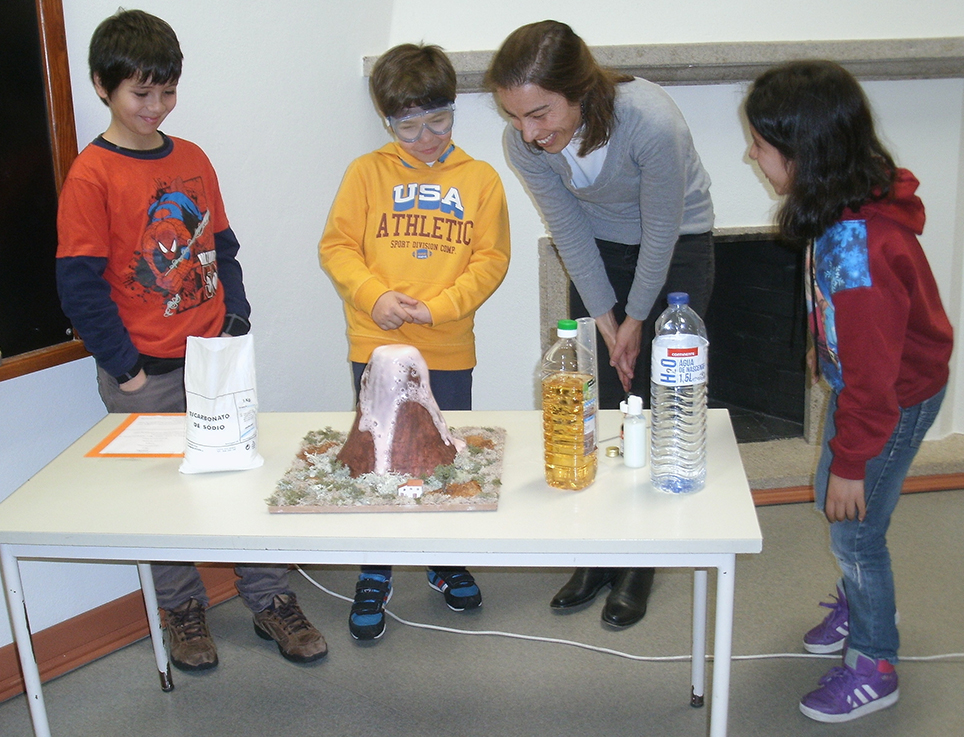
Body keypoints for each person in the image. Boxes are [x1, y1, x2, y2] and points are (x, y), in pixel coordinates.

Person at [56, 9, 327, 671]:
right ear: (102, 86)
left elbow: (222, 248)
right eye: (140, 93)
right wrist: (125, 370)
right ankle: (182, 612)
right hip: (143, 374)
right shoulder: (91, 175)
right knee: (160, 502)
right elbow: (79, 284)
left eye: (167, 91)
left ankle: (270, 596)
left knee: (241, 484)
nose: (156, 106)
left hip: (215, 360)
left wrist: (235, 319)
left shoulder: (193, 158)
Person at [485, 20, 714, 627]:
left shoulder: (650, 121)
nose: (529, 135)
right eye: (515, 118)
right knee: (598, 400)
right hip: (603, 250)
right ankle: (598, 552)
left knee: (658, 401)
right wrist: (607, 323)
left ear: (580, 89)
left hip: (678, 247)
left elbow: (661, 231)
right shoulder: (522, 144)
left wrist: (638, 318)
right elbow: (569, 233)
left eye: (540, 114)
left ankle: (641, 561)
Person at [745, 60, 953, 723]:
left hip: (893, 394)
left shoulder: (854, 248)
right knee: (837, 506)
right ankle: (865, 600)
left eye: (759, 143)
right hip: (871, 383)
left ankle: (874, 657)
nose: (750, 153)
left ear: (803, 155)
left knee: (855, 528)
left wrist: (855, 460)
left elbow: (874, 375)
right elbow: (851, 328)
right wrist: (821, 341)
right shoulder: (840, 209)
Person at [319, 43, 511, 641]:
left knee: (439, 456)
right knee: (382, 459)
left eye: (439, 119)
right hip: (375, 346)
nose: (426, 136)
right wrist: (376, 297)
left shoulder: (480, 180)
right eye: (409, 124)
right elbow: (337, 248)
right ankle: (375, 570)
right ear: (386, 120)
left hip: (448, 348)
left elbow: (492, 260)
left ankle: (443, 555)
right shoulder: (366, 172)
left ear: (455, 109)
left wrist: (440, 307)